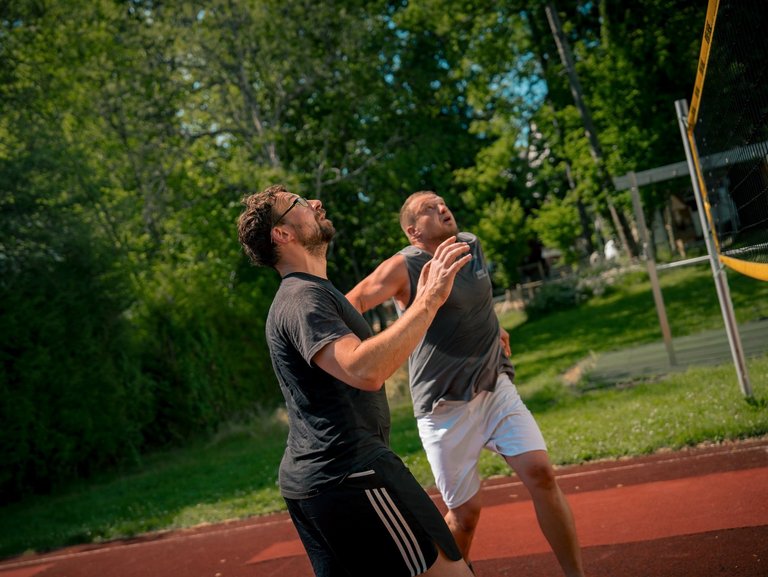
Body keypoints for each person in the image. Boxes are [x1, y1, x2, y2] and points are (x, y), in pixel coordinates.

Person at [236, 184, 475, 577]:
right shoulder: (302, 298)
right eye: (298, 203)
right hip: (352, 475)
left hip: (326, 481)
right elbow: (363, 370)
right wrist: (429, 298)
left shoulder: (312, 293)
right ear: (283, 233)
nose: (314, 203)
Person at [346, 191, 586, 577]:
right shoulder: (405, 265)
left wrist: (496, 326)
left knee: (542, 472)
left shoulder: (470, 245)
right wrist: (355, 361)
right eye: (429, 208)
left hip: (494, 385)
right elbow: (351, 301)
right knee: (465, 514)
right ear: (412, 231)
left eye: (442, 203)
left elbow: (476, 302)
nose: (442, 208)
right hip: (443, 409)